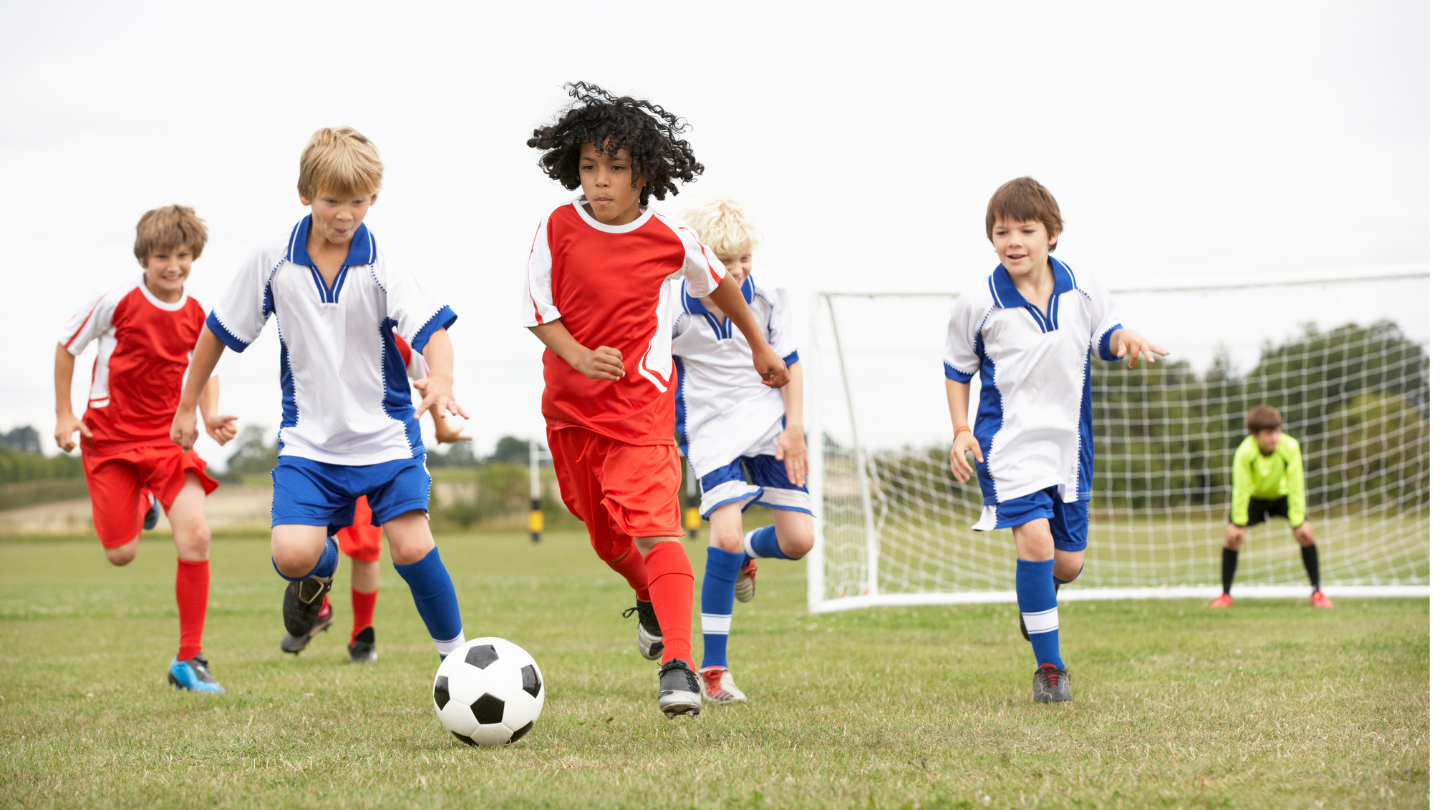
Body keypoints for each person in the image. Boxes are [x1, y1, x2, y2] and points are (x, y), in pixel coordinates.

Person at [522, 82, 789, 718]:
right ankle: (648, 599)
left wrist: (758, 346)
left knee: (655, 529)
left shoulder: (671, 239)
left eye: (615, 168)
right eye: (589, 167)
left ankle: (679, 664)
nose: (600, 181)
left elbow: (721, 287)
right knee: (606, 541)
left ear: (645, 173)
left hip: (642, 413)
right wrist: (580, 356)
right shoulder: (556, 227)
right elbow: (538, 312)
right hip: (569, 414)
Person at [171, 126, 471, 663]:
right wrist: (188, 402)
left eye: (358, 202)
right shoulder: (273, 259)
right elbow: (217, 330)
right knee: (292, 555)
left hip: (385, 439)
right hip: (311, 445)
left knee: (411, 545)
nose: (344, 214)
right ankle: (317, 579)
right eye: (332, 201)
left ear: (373, 199)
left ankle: (459, 660)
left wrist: (442, 381)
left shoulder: (383, 262)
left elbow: (433, 331)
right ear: (305, 194)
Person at [945, 177, 1167, 703]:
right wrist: (959, 431)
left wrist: (1125, 338)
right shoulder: (976, 303)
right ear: (991, 239)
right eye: (1002, 232)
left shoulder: (1082, 282)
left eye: (1026, 229)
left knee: (1066, 563)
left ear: (1052, 234)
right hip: (1006, 445)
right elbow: (957, 369)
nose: (1014, 240)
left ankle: (1038, 600)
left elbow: (1105, 338)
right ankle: (1051, 670)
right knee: (1036, 543)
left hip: (1071, 445)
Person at [55, 205, 237, 693]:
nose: (173, 265)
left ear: (194, 255)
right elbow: (66, 346)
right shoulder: (113, 302)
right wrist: (64, 415)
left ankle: (189, 660)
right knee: (120, 554)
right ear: (144, 257)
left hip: (168, 440)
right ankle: (143, 502)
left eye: (182, 255)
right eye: (162, 256)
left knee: (196, 536)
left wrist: (209, 415)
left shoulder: (199, 313)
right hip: (110, 439)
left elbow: (208, 367)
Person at [670, 196, 812, 704]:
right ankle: (714, 671)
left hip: (769, 422)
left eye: (743, 258)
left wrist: (794, 428)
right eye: (723, 260)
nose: (735, 270)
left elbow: (790, 365)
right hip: (709, 429)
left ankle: (749, 556)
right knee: (722, 539)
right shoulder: (669, 302)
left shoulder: (772, 294)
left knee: (799, 542)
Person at [279, 330, 471, 662]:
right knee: (299, 550)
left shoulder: (392, 339)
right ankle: (319, 602)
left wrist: (441, 427)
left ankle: (361, 636)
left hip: (381, 456)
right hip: (321, 458)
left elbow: (427, 379)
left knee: (369, 548)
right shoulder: (310, 329)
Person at [1209, 405, 1332, 609]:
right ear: (1254, 434)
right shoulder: (1244, 452)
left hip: (1281, 496)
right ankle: (1225, 595)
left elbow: (1295, 486)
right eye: (1268, 433)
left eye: (1277, 431)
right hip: (1255, 498)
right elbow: (1241, 490)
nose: (1274, 437)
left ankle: (1317, 593)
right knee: (1232, 537)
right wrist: (1238, 522)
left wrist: (1298, 520)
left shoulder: (1290, 447)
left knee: (1305, 533)